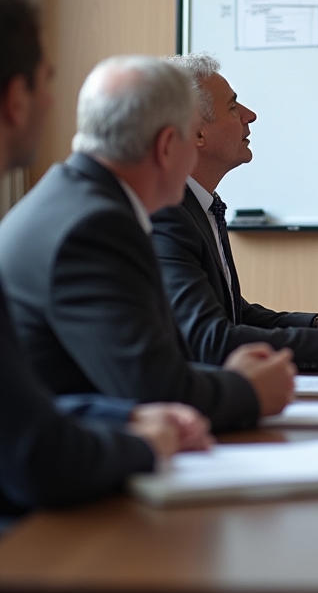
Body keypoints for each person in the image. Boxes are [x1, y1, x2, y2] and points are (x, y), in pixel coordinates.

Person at [0, 0, 211, 521]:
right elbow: (34, 456)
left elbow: (23, 410)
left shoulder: (72, 206)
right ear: (15, 100)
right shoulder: (92, 224)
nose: (54, 103)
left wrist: (123, 420)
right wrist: (148, 443)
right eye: (47, 80)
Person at [0, 55, 296, 435]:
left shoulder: (74, 200)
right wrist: (248, 389)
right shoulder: (96, 228)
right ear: (169, 145)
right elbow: (154, 390)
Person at [152, 53, 318, 370]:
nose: (250, 115)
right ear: (197, 134)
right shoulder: (165, 214)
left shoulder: (197, 204)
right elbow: (208, 338)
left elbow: (233, 314)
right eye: (232, 107)